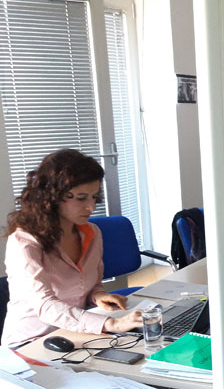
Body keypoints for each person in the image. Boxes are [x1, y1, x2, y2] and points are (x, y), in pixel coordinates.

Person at [2, 149, 142, 347]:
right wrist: (112, 324)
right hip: (30, 342)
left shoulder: (92, 233)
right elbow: (45, 305)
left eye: (94, 197)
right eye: (81, 198)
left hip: (76, 334)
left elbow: (90, 284)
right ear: (52, 196)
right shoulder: (24, 242)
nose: (91, 207)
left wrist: (97, 295)